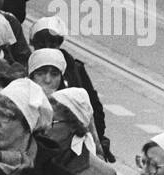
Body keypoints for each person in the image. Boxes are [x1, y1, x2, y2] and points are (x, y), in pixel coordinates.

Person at [29, 15, 113, 162]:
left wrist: (96, 143)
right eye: (42, 44)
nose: (47, 79)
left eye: (53, 44)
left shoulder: (75, 70)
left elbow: (93, 109)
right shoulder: (24, 76)